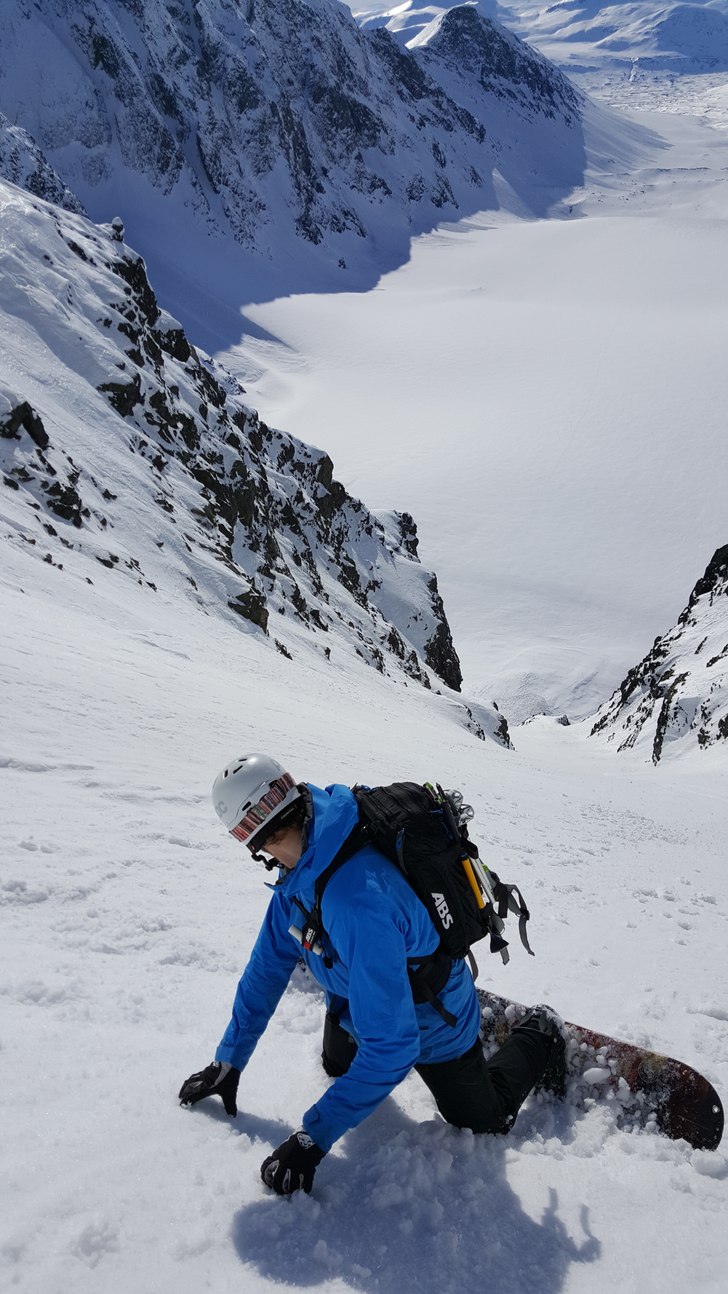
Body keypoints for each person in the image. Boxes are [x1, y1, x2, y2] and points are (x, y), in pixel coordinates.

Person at [179, 754, 565, 1196]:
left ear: (252, 839)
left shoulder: (355, 901)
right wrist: (229, 1060)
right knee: (336, 1064)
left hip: (433, 1017)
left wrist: (313, 1138)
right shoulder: (300, 872)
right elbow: (265, 970)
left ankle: (542, 1032)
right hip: (356, 1002)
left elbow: (394, 1049)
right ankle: (370, 1033)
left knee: (484, 1122)